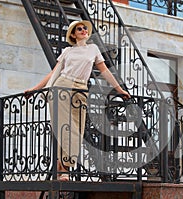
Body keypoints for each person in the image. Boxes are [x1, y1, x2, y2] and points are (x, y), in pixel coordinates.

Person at [25, 20, 130, 181]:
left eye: (84, 28)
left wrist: (119, 89)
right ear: (73, 35)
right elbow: (54, 73)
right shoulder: (68, 51)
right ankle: (64, 169)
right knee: (64, 128)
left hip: (81, 90)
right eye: (79, 29)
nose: (83, 30)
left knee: (77, 131)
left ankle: (62, 166)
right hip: (62, 87)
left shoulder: (93, 49)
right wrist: (34, 89)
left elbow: (105, 71)